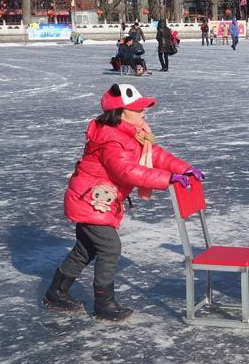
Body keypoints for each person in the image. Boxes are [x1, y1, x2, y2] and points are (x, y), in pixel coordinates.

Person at [43, 84, 204, 320]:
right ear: (120, 113)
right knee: (110, 248)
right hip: (92, 202)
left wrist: (185, 169)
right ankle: (103, 304)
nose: (143, 113)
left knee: (85, 249)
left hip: (96, 200)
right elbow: (126, 171)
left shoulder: (133, 134)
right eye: (138, 109)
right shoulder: (111, 139)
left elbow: (156, 155)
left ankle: (56, 292)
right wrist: (168, 178)